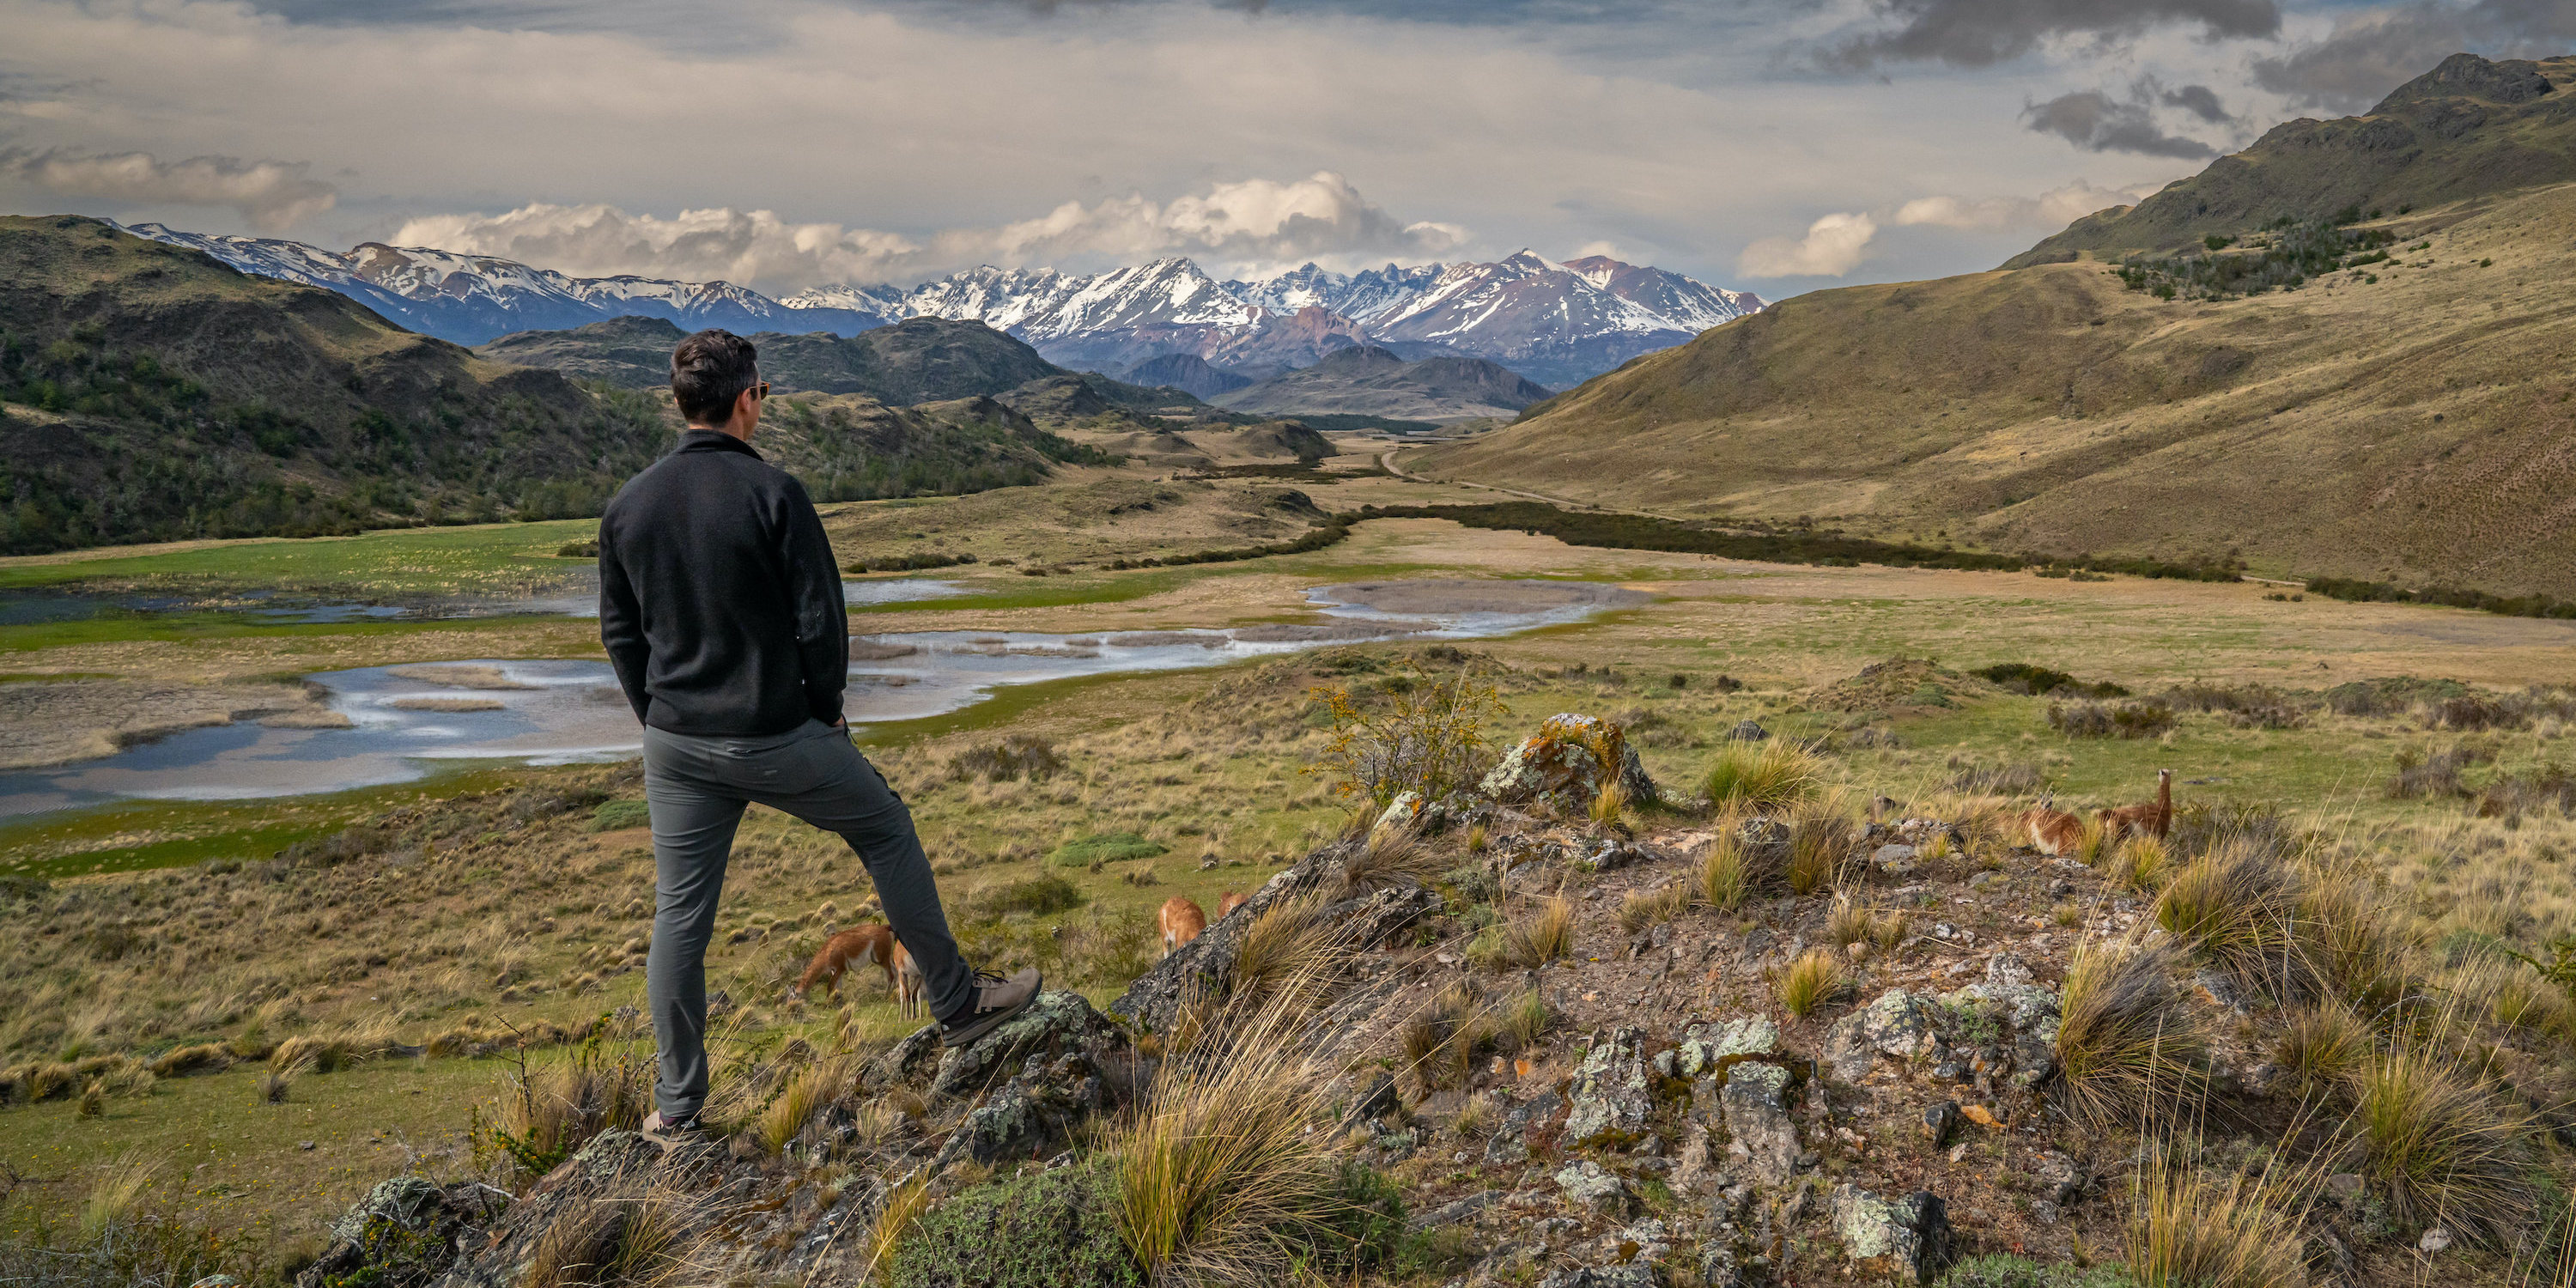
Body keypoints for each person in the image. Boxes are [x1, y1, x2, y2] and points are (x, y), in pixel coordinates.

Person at [597, 329, 1040, 1139]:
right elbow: (820, 622)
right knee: (886, 828)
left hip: (676, 744)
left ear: (678, 402)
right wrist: (826, 709)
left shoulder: (628, 506)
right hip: (777, 732)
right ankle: (959, 1003)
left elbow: (621, 637)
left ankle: (677, 1109)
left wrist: (659, 720)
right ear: (747, 400)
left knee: (680, 918)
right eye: (762, 394)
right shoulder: (775, 495)